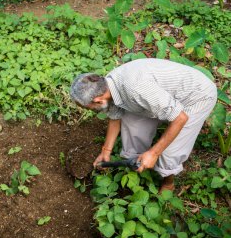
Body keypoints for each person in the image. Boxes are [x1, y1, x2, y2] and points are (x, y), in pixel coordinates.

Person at [70, 58, 217, 192]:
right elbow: (115, 116)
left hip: (196, 96)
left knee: (170, 153)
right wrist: (106, 151)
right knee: (131, 125)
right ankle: (136, 162)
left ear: (98, 100)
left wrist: (154, 153)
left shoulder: (135, 89)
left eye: (87, 108)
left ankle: (168, 182)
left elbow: (180, 118)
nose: (90, 111)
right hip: (160, 97)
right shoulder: (106, 86)